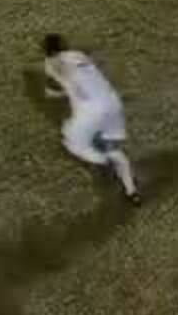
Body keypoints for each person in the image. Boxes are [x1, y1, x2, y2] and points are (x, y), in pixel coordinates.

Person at [40, 35, 141, 204]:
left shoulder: (50, 64)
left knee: (72, 141)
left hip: (91, 112)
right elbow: (81, 82)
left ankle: (101, 159)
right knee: (113, 149)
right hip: (112, 104)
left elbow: (60, 77)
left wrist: (53, 92)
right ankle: (131, 191)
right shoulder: (78, 55)